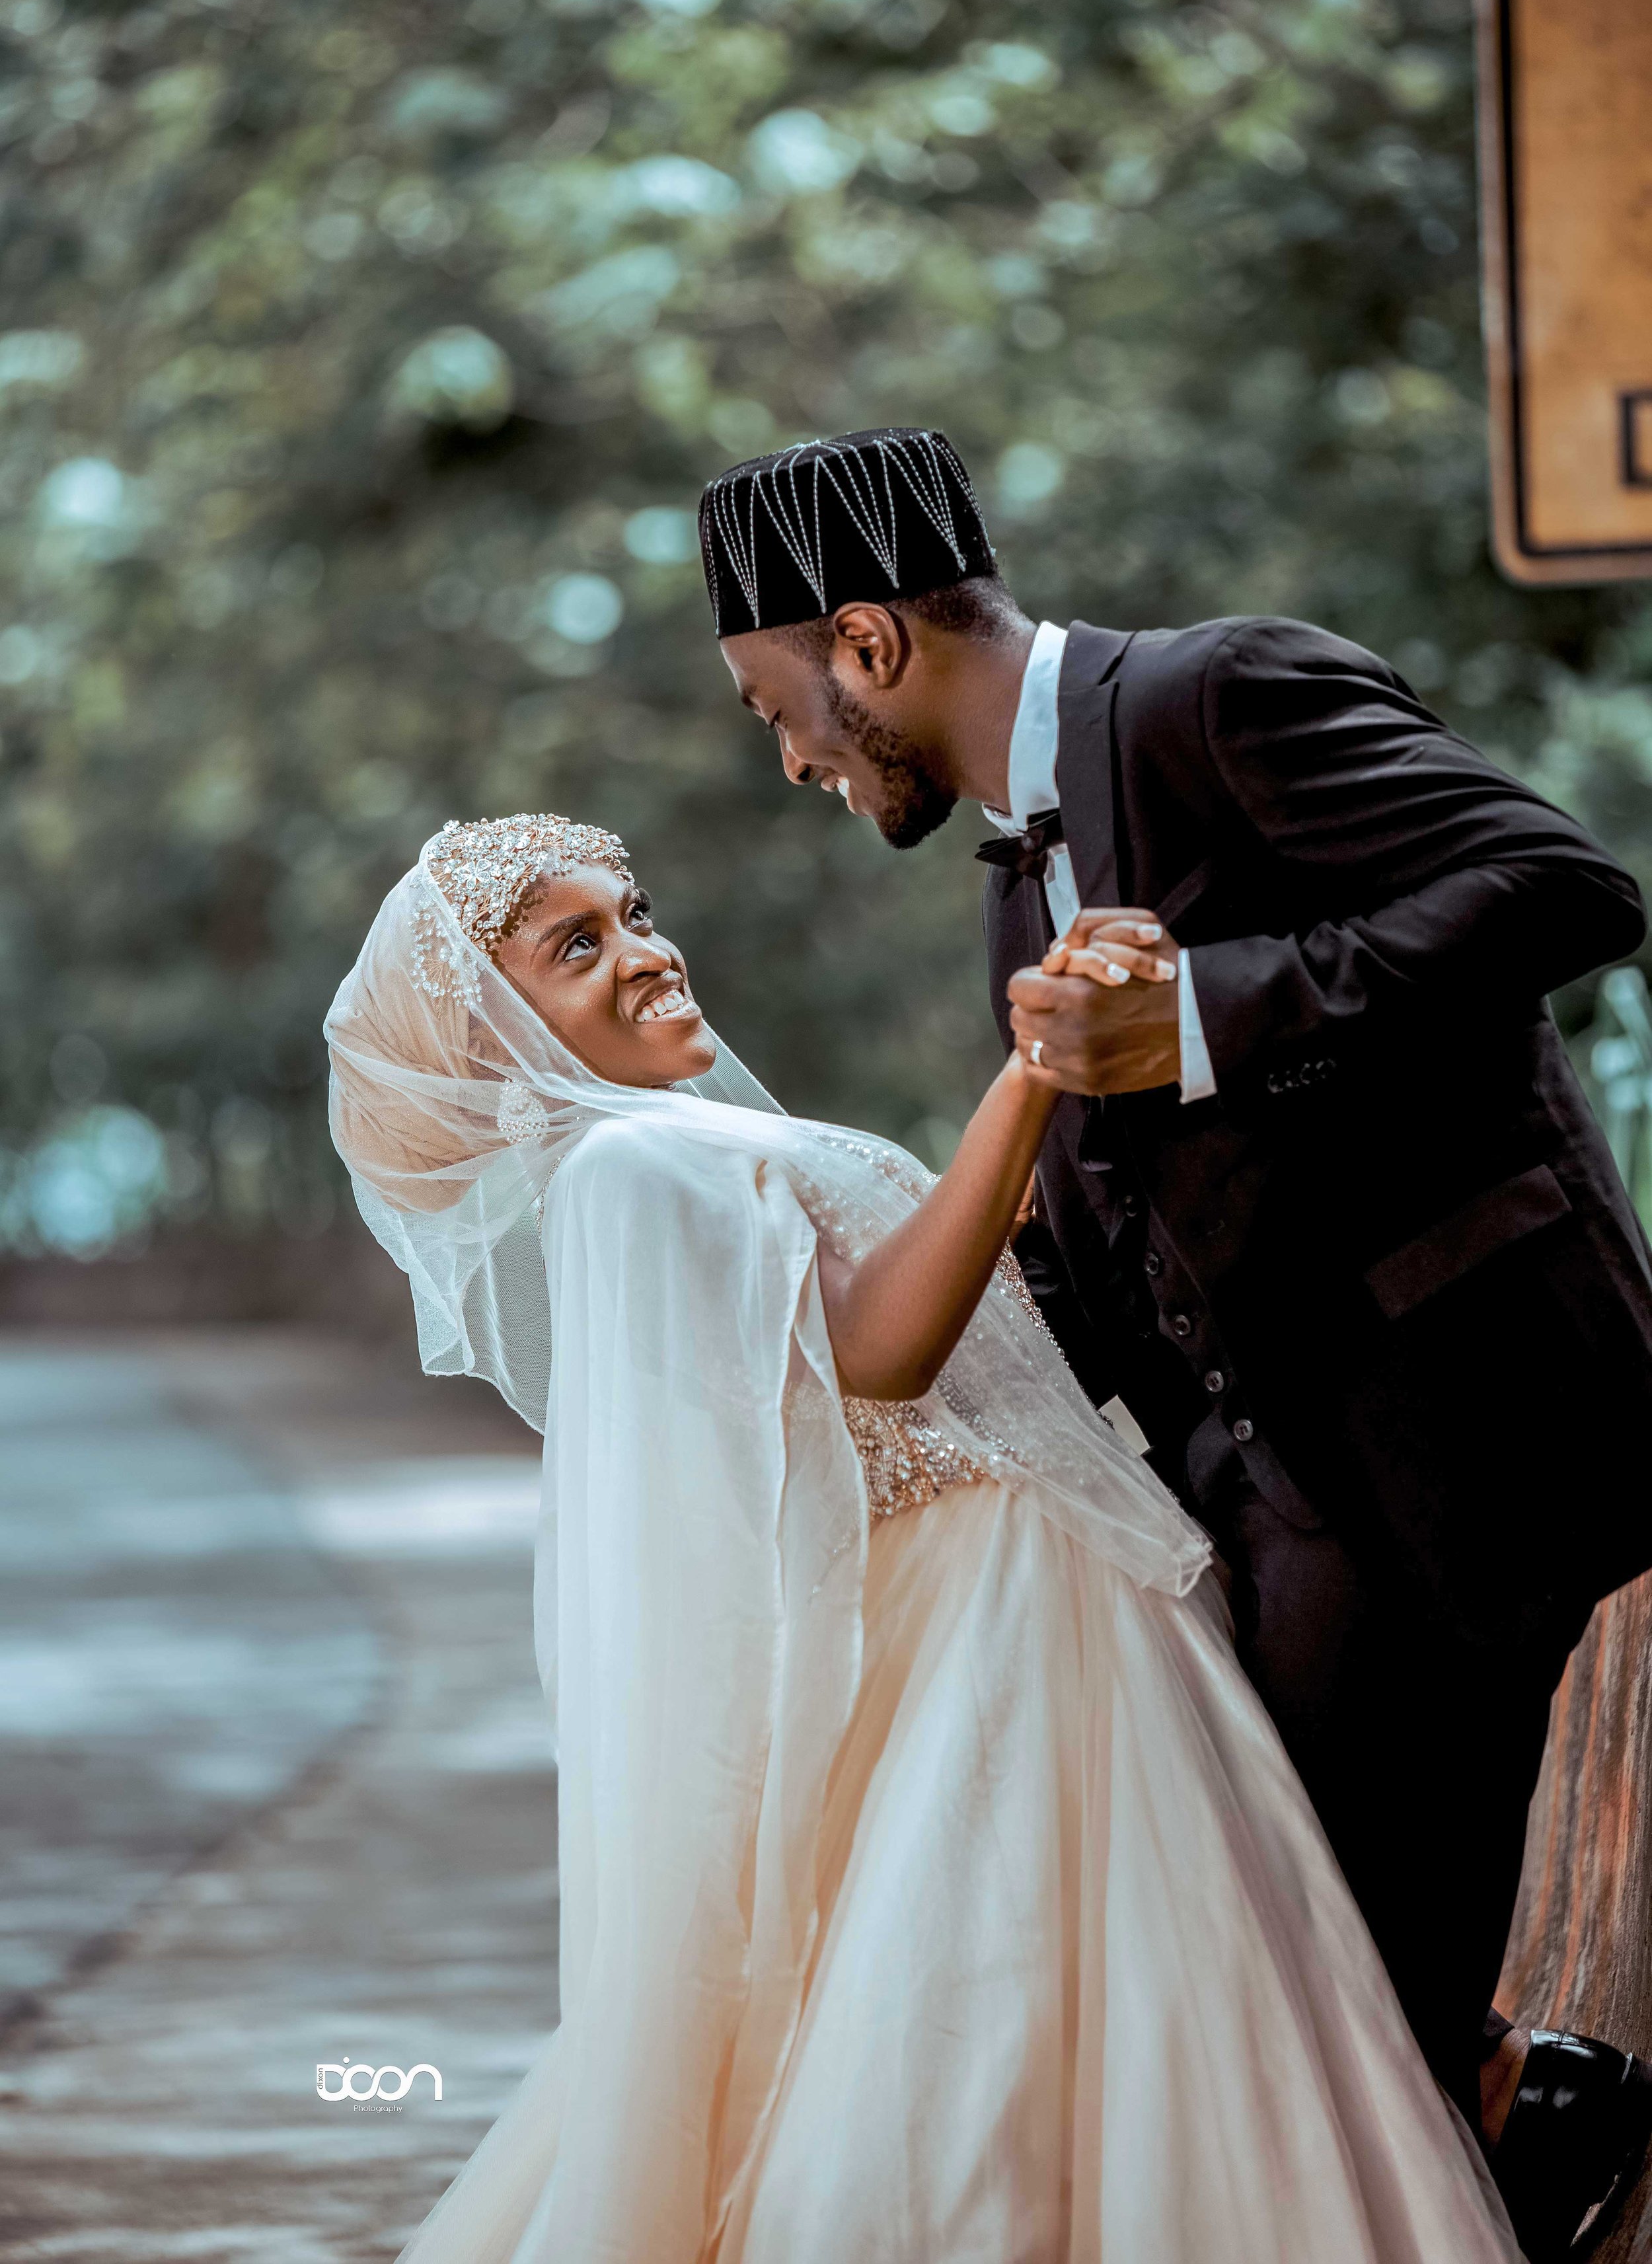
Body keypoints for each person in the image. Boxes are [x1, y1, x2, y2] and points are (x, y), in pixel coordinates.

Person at [327, 813, 1522, 2264]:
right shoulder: (627, 1173)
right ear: (494, 1025)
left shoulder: (684, 1145)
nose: (644, 953)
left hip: (1026, 1594)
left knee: (1109, 2017)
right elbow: (886, 1346)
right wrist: (1033, 1072)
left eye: (634, 911)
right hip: (986, 1624)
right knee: (1019, 2028)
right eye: (576, 948)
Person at [709, 424, 1652, 2263]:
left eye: (775, 706)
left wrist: (1213, 1016)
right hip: (1275, 1494)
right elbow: (1103, 1219)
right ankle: (1520, 2111)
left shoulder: (1217, 692)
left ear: (867, 643)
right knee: (1245, 1986)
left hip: (1467, 1440)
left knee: (1318, 2005)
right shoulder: (1012, 876)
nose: (794, 758)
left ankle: (1532, 2115)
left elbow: (1561, 886)